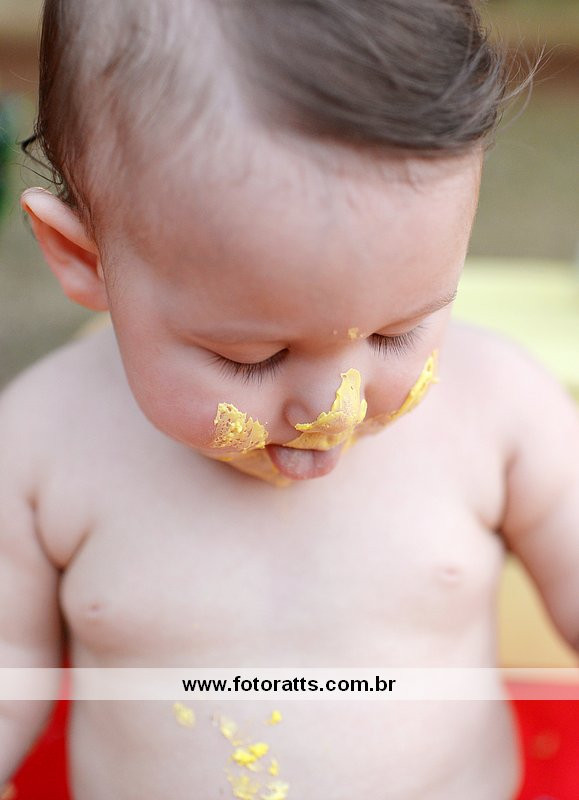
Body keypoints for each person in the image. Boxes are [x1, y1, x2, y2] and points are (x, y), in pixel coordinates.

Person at [2, 0, 578, 797]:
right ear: (85, 257)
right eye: (252, 356)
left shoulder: (504, 411)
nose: (334, 407)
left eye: (395, 333)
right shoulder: (40, 443)